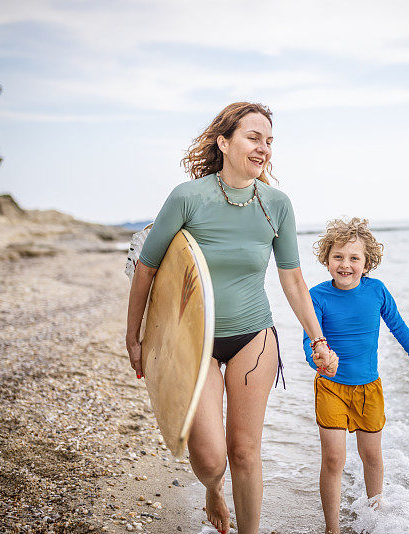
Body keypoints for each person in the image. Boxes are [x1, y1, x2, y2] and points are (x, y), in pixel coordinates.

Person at [126, 102, 336, 534]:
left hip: (253, 337)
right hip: (192, 340)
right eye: (254, 137)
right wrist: (135, 337)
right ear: (224, 142)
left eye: (269, 141)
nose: (264, 148)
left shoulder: (276, 205)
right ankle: (211, 488)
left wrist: (317, 339)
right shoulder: (189, 197)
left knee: (244, 451)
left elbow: (293, 280)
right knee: (210, 457)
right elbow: (147, 268)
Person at [302, 217, 409, 534]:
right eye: (338, 256)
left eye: (354, 258)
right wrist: (319, 361)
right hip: (331, 388)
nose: (345, 264)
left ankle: (376, 519)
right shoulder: (316, 296)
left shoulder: (376, 291)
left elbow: (399, 328)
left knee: (372, 456)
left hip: (368, 389)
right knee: (334, 459)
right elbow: (310, 340)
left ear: (366, 262)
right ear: (326, 258)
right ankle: (332, 529)